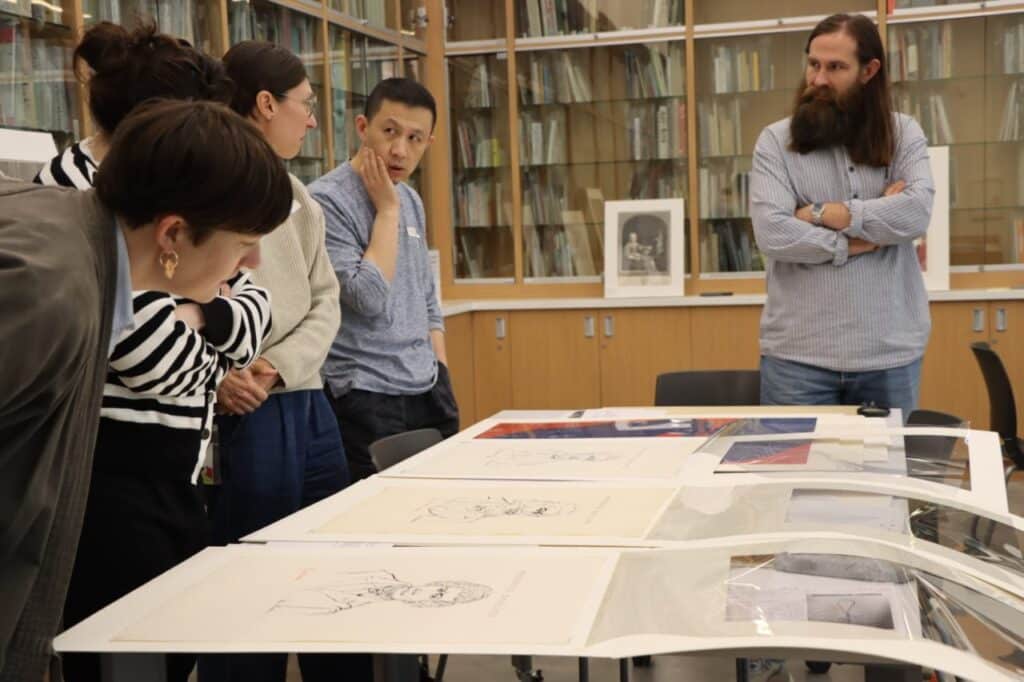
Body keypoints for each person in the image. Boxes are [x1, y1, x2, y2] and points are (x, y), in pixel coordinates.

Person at [0, 99, 292, 682]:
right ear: (174, 234)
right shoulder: (51, 289)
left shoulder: (82, 254)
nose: (254, 261)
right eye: (242, 243)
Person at [197, 40, 349, 682]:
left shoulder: (297, 196)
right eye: (305, 105)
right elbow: (181, 293)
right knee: (252, 585)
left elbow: (327, 299)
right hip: (245, 413)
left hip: (304, 402)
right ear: (265, 104)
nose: (311, 120)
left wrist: (278, 365)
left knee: (333, 576)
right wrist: (227, 376)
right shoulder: (205, 180)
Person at [750, 13, 935, 421]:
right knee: (794, 484)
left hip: (887, 355)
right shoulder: (775, 143)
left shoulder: (903, 134)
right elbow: (772, 233)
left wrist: (823, 213)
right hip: (796, 359)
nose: (818, 79)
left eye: (836, 68)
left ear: (869, 71)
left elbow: (916, 213)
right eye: (814, 64)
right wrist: (862, 238)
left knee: (880, 485)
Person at [310, 78, 458, 483]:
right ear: (362, 127)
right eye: (389, 132)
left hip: (426, 387)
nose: (399, 150)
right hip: (365, 392)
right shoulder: (325, 202)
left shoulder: (410, 198)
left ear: (429, 142)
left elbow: (427, 297)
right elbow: (367, 297)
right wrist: (387, 213)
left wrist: (440, 371)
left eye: (415, 138)